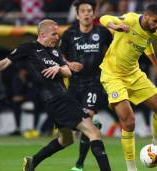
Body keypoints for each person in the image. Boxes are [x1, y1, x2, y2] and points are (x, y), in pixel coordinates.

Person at [0, 19, 111, 171]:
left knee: (66, 139)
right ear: (42, 35)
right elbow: (4, 63)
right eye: (54, 34)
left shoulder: (55, 51)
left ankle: (33, 161)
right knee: (93, 132)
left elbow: (68, 72)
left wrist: (58, 69)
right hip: (58, 99)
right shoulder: (29, 48)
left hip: (57, 100)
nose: (57, 37)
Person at [99, 3, 157, 171]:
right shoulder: (129, 19)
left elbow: (146, 42)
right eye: (155, 21)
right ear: (146, 15)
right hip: (113, 75)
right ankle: (131, 168)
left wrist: (156, 65)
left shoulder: (154, 32)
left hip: (134, 74)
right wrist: (115, 26)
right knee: (129, 122)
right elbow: (103, 18)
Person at [60, 1, 112, 171]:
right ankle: (80, 161)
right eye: (83, 11)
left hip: (94, 82)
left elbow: (113, 50)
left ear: (94, 14)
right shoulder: (69, 34)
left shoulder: (102, 33)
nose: (87, 14)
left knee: (87, 117)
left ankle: (79, 164)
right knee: (73, 128)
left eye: (89, 10)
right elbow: (59, 55)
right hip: (74, 84)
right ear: (77, 15)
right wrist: (69, 63)